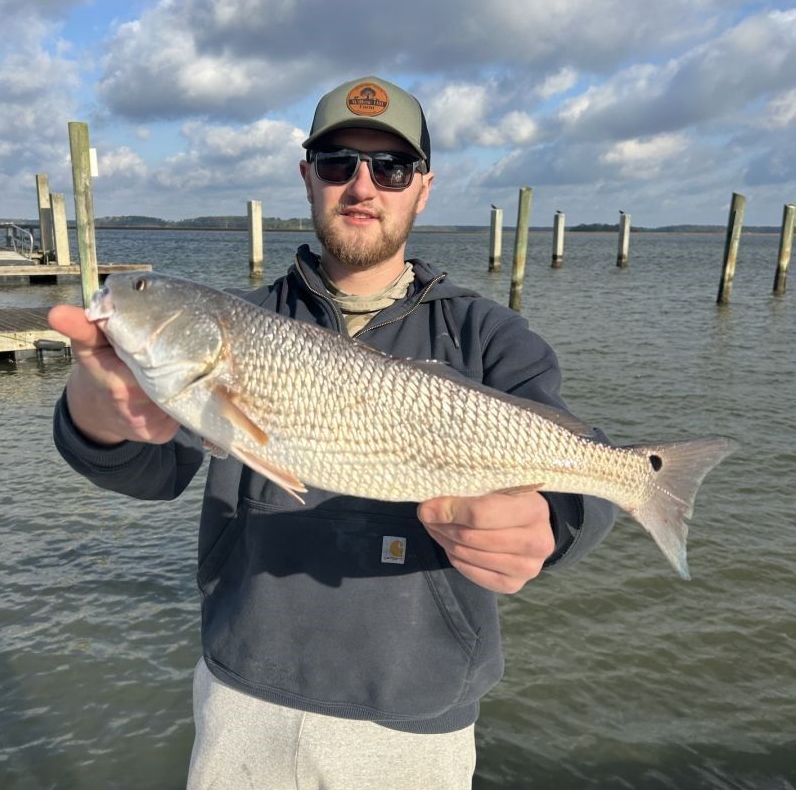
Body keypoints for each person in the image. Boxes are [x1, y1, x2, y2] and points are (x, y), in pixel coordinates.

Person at [50, 75, 616, 789]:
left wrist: (552, 520)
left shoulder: (489, 336)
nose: (362, 184)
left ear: (424, 186)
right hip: (242, 699)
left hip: (418, 717)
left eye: (391, 166)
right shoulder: (246, 320)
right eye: (337, 161)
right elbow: (149, 466)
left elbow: (579, 459)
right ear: (307, 176)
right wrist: (97, 409)